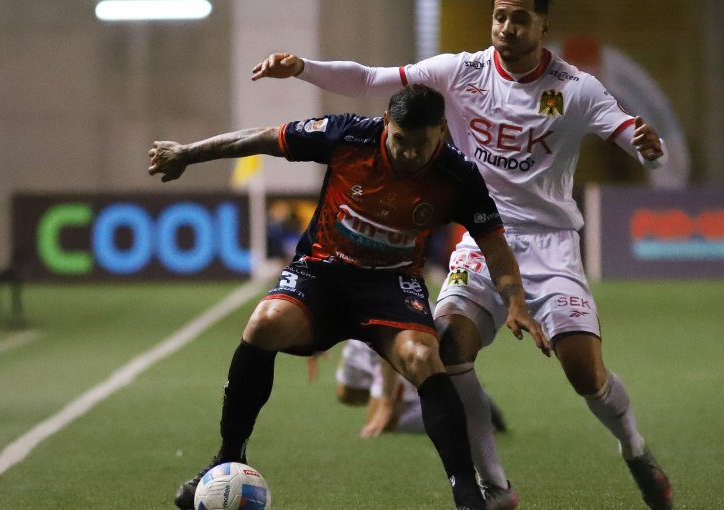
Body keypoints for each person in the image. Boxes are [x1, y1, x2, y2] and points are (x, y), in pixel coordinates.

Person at [249, 1, 674, 509]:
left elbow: (632, 135)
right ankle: (496, 488)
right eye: (499, 16)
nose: (506, 28)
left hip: (550, 245)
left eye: (520, 18)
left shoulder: (575, 88)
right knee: (450, 351)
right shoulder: (460, 71)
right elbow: (367, 79)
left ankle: (635, 448)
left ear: (543, 25)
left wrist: (650, 150)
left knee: (584, 372)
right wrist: (303, 68)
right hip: (481, 239)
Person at [148, 84, 549, 510]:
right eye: (401, 140)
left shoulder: (458, 175)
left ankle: (468, 495)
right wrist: (187, 153)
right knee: (264, 324)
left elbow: (494, 245)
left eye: (422, 144)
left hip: (392, 285)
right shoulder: (348, 136)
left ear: (442, 131)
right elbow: (262, 138)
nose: (409, 153)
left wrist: (516, 300)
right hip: (321, 274)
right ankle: (227, 458)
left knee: (423, 358)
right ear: (386, 122)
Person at [331, 340, 509, 437]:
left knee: (385, 424)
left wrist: (386, 404)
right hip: (399, 333)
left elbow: (387, 355)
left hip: (409, 345)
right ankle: (459, 394)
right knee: (348, 394)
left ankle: (462, 413)